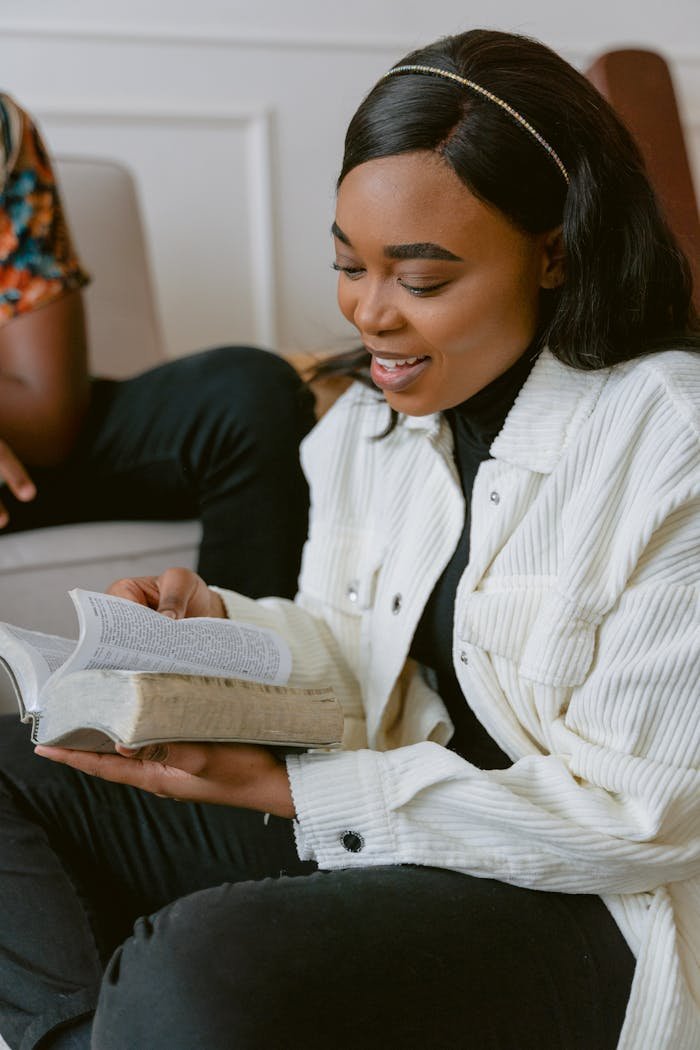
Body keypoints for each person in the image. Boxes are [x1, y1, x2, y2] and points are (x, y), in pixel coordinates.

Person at [0, 26, 698, 1050]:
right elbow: (353, 647)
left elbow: (642, 819)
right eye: (346, 265)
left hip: (586, 902)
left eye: (419, 281)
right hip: (382, 832)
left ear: (553, 252)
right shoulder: (364, 429)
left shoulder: (666, 438)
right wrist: (220, 624)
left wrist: (284, 788)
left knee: (200, 964)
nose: (371, 315)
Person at [0, 93, 316, 598]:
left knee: (246, 394)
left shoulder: (2, 130)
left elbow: (48, 415)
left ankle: (232, 668)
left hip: (22, 447)